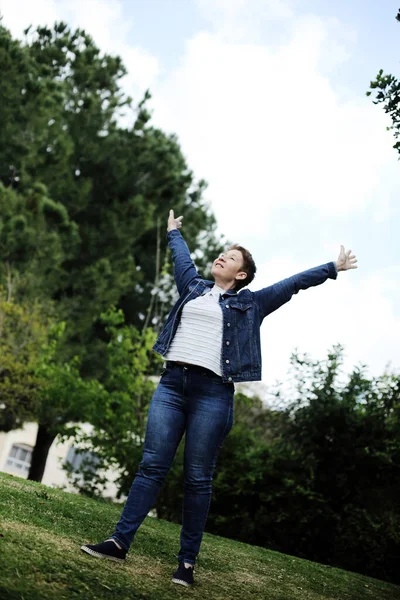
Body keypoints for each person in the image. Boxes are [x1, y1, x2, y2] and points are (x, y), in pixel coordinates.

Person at [81, 209, 358, 586]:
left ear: (240, 275)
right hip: (172, 386)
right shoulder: (193, 288)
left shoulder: (252, 304)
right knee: (151, 467)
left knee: (197, 478)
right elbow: (182, 259)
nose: (222, 256)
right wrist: (173, 232)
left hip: (212, 395)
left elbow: (292, 283)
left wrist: (332, 267)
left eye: (231, 256)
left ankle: (187, 564)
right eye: (222, 252)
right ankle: (118, 542)